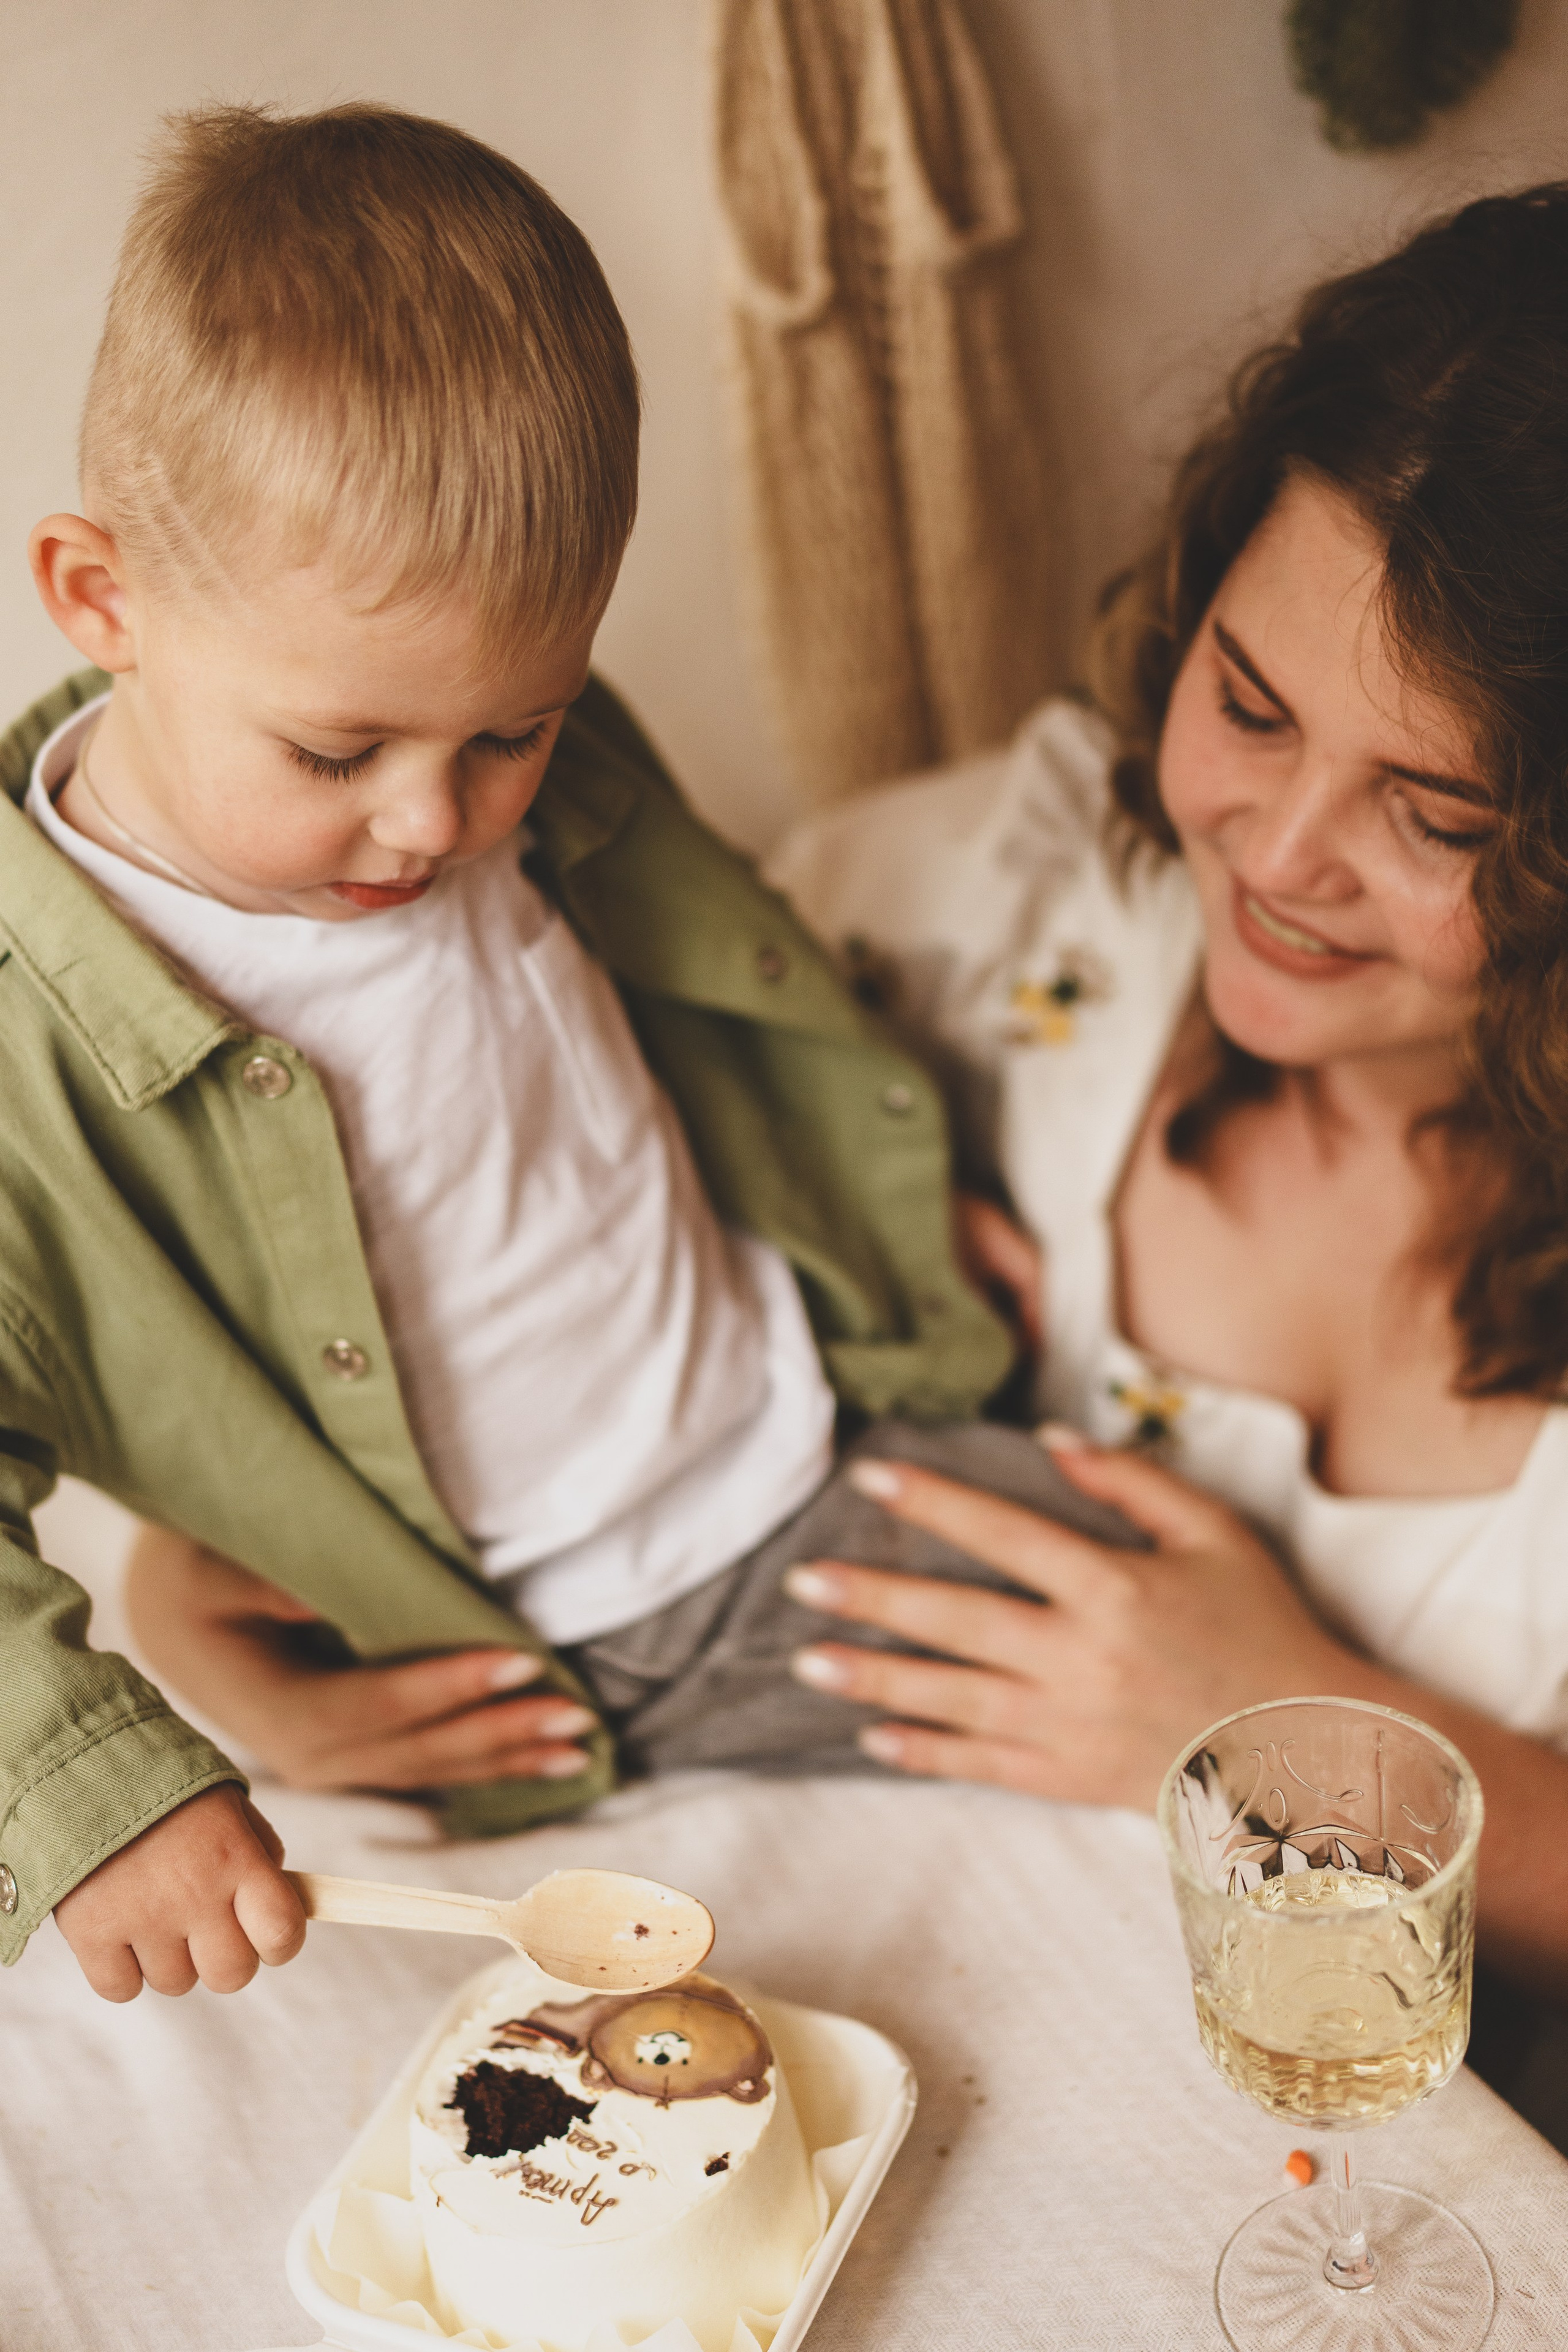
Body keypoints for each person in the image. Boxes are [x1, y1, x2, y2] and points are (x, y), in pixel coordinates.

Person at [2, 98, 1066, 2007]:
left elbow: (711, 1004)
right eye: (340, 757)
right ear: (103, 601)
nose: (435, 823)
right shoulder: (23, 1057)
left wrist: (891, 1190)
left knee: (1248, 1745)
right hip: (576, 1636)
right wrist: (83, 1782)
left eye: (517, 732)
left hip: (803, 1429)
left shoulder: (496, 753)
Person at [769, 187, 1568, 2040]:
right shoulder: (981, 928)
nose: (1281, 857)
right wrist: (228, 1572)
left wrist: (1298, 1736)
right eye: (1250, 700)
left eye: (1436, 818)